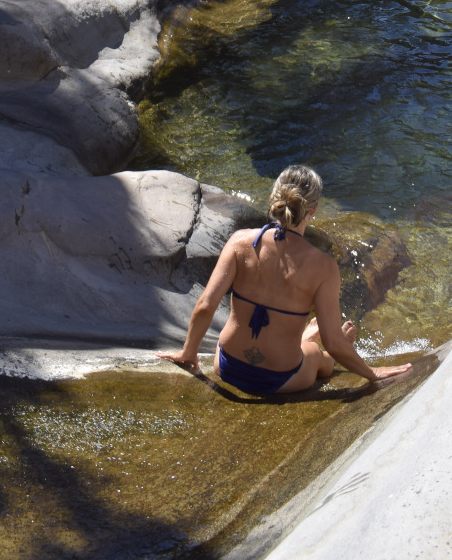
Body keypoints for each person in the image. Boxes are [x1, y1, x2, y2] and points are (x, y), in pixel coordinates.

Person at [157, 164, 413, 394]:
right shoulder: (324, 267)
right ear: (312, 211)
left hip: (226, 366)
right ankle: (308, 344)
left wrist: (188, 354)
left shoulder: (240, 241)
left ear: (274, 199)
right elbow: (333, 343)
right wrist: (373, 373)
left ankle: (304, 339)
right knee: (318, 357)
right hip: (282, 379)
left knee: (301, 343)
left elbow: (205, 305)